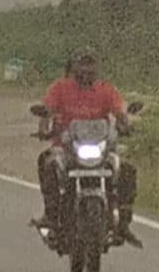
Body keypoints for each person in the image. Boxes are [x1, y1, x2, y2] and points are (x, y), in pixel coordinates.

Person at [32, 49, 140, 247]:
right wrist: (44, 128)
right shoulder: (60, 88)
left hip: (101, 149)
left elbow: (119, 111)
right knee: (47, 163)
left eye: (91, 67)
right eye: (82, 66)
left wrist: (126, 124)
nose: (87, 72)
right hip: (66, 148)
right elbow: (47, 110)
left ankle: (123, 221)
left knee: (127, 170)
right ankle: (51, 214)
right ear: (73, 68)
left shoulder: (106, 90)